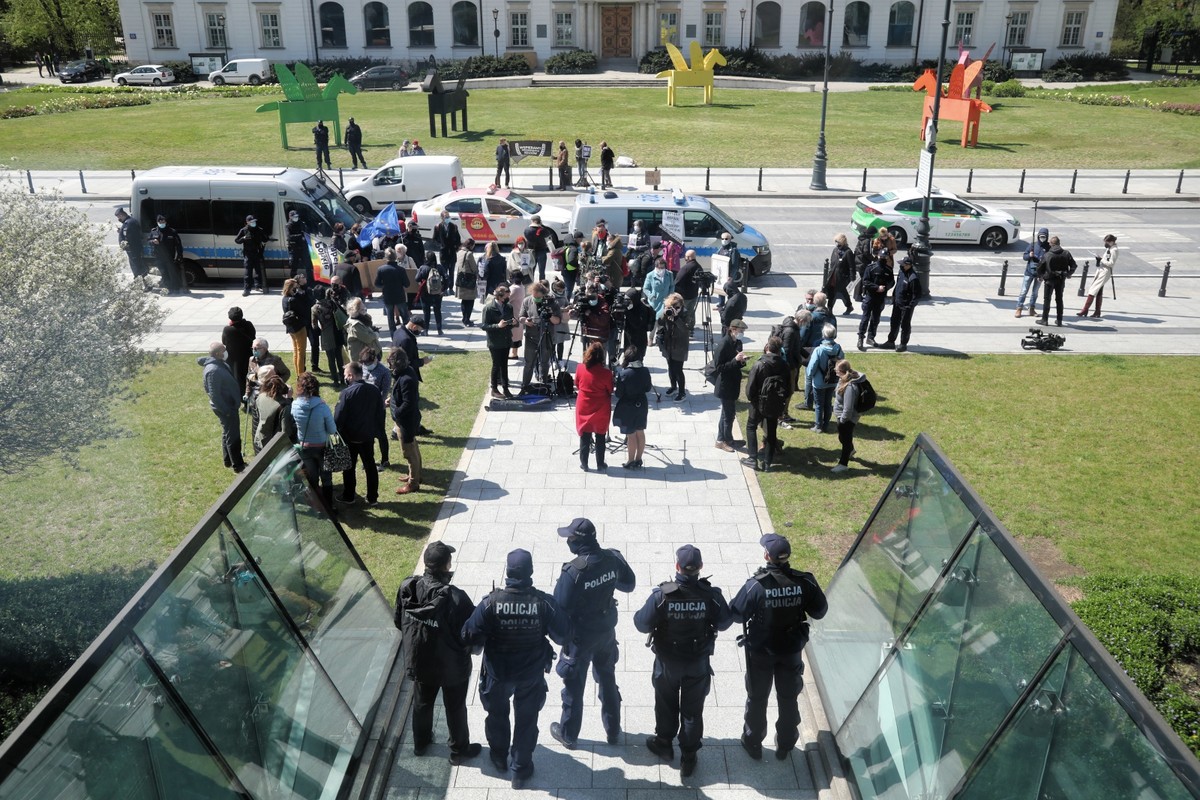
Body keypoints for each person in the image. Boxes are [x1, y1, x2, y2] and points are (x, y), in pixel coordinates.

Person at [462, 549, 570, 789]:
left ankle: (499, 756)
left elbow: (468, 635)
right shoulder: (542, 603)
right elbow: (563, 634)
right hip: (530, 675)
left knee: (497, 714)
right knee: (527, 720)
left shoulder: (491, 603)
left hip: (497, 674)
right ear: (530, 573)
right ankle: (520, 770)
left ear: (507, 572)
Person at [633, 545, 732, 778]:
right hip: (697, 664)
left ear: (677, 567)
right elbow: (725, 622)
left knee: (666, 703)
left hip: (668, 663)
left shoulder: (662, 595)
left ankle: (664, 744)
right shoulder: (711, 596)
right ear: (700, 568)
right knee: (692, 711)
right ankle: (689, 757)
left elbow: (641, 624)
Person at [729, 534, 829, 760]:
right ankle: (785, 745)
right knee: (788, 698)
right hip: (791, 651)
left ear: (767, 555)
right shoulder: (805, 581)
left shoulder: (756, 585)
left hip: (761, 652)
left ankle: (753, 741)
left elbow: (735, 614)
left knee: (757, 698)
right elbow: (820, 612)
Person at [550, 517, 636, 748]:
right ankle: (613, 731)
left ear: (578, 541)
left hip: (580, 639)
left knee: (574, 688)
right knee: (607, 680)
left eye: (570, 537)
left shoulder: (573, 572)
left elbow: (560, 609)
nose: (568, 540)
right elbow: (629, 584)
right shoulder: (612, 558)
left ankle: (568, 734)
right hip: (606, 633)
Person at [396, 541, 482, 764]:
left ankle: (420, 743)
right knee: (455, 707)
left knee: (422, 703)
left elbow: (399, 621)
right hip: (452, 668)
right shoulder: (456, 598)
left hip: (420, 661)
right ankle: (458, 750)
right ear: (446, 566)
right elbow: (471, 635)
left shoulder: (407, 589)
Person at [334, 361, 382, 506]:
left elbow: (338, 417)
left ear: (351, 376)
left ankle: (349, 496)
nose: (345, 378)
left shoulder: (346, 393)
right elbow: (380, 413)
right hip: (367, 436)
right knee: (370, 466)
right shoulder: (374, 390)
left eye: (345, 375)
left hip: (350, 438)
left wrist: (338, 432)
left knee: (349, 467)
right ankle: (372, 497)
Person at [197, 342, 246, 473]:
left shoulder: (219, 364)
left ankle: (228, 460)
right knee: (233, 436)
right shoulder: (213, 370)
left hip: (229, 406)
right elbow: (215, 395)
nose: (226, 352)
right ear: (218, 353)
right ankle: (238, 465)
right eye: (224, 350)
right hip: (226, 408)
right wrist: (227, 411)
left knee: (227, 433)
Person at [291, 371, 337, 510]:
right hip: (322, 447)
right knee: (326, 478)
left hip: (304, 447)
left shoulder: (294, 405)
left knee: (312, 479)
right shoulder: (322, 407)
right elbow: (332, 429)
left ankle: (316, 507)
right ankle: (328, 506)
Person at [745, 336, 790, 473]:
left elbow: (750, 389)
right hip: (775, 403)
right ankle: (767, 463)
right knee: (771, 432)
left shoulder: (759, 364)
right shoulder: (784, 365)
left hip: (758, 403)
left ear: (767, 347)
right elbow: (788, 387)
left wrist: (753, 400)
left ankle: (752, 458)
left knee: (751, 427)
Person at [388, 347, 423, 494]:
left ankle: (413, 483)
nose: (389, 366)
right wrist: (393, 399)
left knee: (409, 452)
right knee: (413, 447)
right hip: (407, 420)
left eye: (391, 363)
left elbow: (408, 403)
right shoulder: (405, 372)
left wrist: (396, 411)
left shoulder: (406, 379)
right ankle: (415, 475)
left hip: (406, 422)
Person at [518, 281, 562, 394]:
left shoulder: (552, 303)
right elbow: (521, 317)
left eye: (538, 297)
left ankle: (544, 385)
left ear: (543, 294)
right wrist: (526, 321)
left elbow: (557, 321)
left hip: (546, 336)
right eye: (534, 296)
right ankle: (525, 386)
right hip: (531, 337)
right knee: (529, 363)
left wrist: (550, 315)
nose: (536, 298)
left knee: (544, 362)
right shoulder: (527, 301)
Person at [574, 342, 612, 471]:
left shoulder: (580, 368)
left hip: (584, 405)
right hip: (601, 407)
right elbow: (610, 390)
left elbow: (577, 384)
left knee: (585, 435)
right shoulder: (606, 373)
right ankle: (600, 464)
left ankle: (584, 463)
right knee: (600, 436)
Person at [712, 318, 749, 452]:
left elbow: (738, 361)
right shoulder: (724, 344)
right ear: (732, 330)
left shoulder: (737, 342)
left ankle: (726, 439)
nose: (742, 333)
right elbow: (719, 367)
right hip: (725, 385)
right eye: (740, 331)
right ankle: (722, 440)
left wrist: (742, 361)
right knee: (728, 415)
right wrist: (735, 360)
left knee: (728, 413)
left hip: (733, 383)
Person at [613, 346, 652, 468]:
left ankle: (630, 461)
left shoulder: (624, 373)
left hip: (628, 406)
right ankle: (638, 459)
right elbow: (648, 388)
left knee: (631, 434)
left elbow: (618, 394)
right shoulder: (645, 371)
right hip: (641, 404)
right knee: (640, 431)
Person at [831, 359, 868, 473]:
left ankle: (843, 464)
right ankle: (850, 450)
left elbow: (848, 408)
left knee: (846, 440)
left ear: (842, 371)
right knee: (843, 438)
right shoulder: (843, 380)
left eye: (836, 370)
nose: (835, 371)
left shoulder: (850, 387)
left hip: (847, 418)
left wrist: (842, 420)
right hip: (842, 416)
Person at [857, 241, 894, 350]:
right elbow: (866, 282)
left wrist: (885, 287)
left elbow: (891, 281)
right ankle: (860, 338)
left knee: (875, 319)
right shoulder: (871, 268)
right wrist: (876, 288)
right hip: (870, 297)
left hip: (880, 298)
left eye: (885, 257)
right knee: (865, 318)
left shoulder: (888, 270)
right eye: (882, 256)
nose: (883, 258)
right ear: (878, 256)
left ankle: (871, 337)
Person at [806, 324, 844, 433]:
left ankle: (818, 426)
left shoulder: (819, 350)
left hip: (819, 382)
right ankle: (826, 424)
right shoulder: (838, 349)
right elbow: (842, 363)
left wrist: (810, 375)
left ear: (823, 335)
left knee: (818, 404)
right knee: (828, 403)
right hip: (833, 381)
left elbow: (812, 367)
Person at [879, 256, 921, 352]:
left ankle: (903, 343)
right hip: (897, 303)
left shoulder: (913, 278)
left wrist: (910, 306)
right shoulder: (901, 272)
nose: (901, 265)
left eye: (903, 264)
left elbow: (917, 295)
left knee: (905, 325)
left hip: (906, 306)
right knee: (894, 322)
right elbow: (898, 285)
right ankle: (890, 341)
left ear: (908, 265)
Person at [481, 284, 516, 398]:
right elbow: (484, 326)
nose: (508, 298)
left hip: (506, 340)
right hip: (495, 342)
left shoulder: (508, 307)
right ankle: (494, 388)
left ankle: (505, 388)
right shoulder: (489, 308)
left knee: (504, 365)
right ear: (500, 297)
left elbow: (511, 322)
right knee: (496, 365)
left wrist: (514, 323)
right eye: (506, 296)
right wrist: (497, 326)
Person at [360, 347, 391, 468]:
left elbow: (385, 392)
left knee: (380, 434)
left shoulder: (384, 371)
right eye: (364, 363)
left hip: (377, 408)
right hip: (364, 408)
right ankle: (369, 459)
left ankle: (385, 460)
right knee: (367, 435)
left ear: (374, 360)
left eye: (368, 363)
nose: (366, 366)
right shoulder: (362, 366)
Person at [1037, 235, 1078, 327]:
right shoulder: (1066, 253)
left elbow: (1039, 267)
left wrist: (1041, 276)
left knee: (1047, 299)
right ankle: (1059, 320)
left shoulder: (1047, 255)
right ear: (1059, 243)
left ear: (1051, 244)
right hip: (1060, 279)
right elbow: (1074, 265)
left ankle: (1045, 319)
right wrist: (1068, 274)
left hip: (1049, 279)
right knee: (1059, 300)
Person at [656, 293, 690, 402]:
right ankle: (673, 386)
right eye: (672, 307)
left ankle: (682, 392)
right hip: (668, 344)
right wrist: (664, 312)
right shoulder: (668, 312)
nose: (675, 309)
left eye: (677, 307)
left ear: (681, 305)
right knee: (670, 367)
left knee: (678, 369)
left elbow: (685, 330)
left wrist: (676, 318)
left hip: (680, 346)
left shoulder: (685, 314)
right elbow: (659, 322)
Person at [312, 281, 346, 385]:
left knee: (331, 359)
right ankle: (343, 378)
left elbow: (314, 325)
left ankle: (335, 380)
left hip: (326, 334)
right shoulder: (332, 303)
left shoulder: (314, 308)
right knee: (339, 358)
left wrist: (319, 331)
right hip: (337, 332)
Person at [1079, 234, 1118, 319]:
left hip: (1106, 271)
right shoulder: (1109, 248)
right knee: (1099, 290)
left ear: (1111, 242)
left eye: (1106, 242)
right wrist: (1099, 260)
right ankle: (1097, 311)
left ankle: (1085, 309)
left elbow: (1111, 263)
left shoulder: (1114, 250)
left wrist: (1102, 260)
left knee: (1093, 289)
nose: (1105, 244)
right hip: (1101, 270)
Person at [375, 247, 412, 334]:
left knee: (390, 319)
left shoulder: (381, 269)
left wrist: (384, 286)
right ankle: (406, 334)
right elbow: (407, 284)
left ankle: (394, 337)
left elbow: (377, 284)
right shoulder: (401, 270)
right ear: (395, 257)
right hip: (400, 296)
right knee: (405, 318)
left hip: (388, 296)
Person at [254, 374, 295, 451]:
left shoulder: (260, 396)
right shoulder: (283, 406)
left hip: (259, 438)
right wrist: (289, 399)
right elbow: (286, 432)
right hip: (273, 444)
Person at [1016, 227, 1050, 318]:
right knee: (1024, 291)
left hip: (1040, 275)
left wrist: (1044, 275)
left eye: (1044, 237)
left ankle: (1031, 309)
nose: (1042, 238)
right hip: (1029, 272)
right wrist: (1029, 255)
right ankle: (1019, 308)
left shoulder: (1048, 248)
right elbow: (1024, 256)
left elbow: (1049, 262)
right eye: (1041, 236)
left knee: (1035, 293)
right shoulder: (1033, 245)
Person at [221, 307, 256, 395]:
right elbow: (253, 337)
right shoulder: (248, 325)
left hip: (233, 358)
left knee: (236, 378)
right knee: (248, 377)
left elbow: (224, 342)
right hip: (247, 356)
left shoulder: (228, 330)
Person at [233, 213, 269, 296]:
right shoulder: (243, 230)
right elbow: (237, 240)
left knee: (258, 270)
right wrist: (243, 238)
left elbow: (265, 238)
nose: (253, 223)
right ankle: (247, 289)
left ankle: (258, 285)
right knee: (247, 272)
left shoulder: (259, 229)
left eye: (254, 221)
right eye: (251, 221)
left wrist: (264, 240)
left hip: (257, 253)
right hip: (248, 254)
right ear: (247, 222)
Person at [392, 314, 433, 385]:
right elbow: (408, 362)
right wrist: (423, 361)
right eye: (419, 330)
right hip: (406, 375)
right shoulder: (407, 340)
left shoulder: (398, 331)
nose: (419, 332)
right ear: (414, 327)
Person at [149, 214, 184, 294]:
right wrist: (153, 242)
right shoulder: (154, 231)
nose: (162, 223)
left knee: (171, 272)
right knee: (163, 273)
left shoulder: (172, 232)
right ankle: (167, 288)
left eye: (163, 221)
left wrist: (179, 255)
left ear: (165, 221)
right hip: (159, 256)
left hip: (169, 256)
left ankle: (175, 288)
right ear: (157, 222)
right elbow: (149, 241)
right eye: (160, 221)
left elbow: (178, 244)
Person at [281, 278, 309, 376]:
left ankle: (298, 373)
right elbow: (303, 309)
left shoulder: (284, 299)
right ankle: (301, 374)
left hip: (291, 327)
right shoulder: (293, 299)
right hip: (299, 327)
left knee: (296, 351)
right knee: (301, 352)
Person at [114, 207, 147, 288]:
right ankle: (139, 284)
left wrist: (127, 245)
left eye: (119, 217)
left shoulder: (131, 223)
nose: (119, 219)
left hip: (134, 249)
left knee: (138, 267)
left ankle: (144, 285)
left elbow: (132, 237)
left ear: (121, 215)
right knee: (135, 267)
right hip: (131, 250)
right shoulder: (126, 223)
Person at [416, 252, 447, 335]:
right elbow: (446, 279)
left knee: (426, 312)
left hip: (425, 293)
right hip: (437, 293)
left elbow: (417, 278)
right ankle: (439, 329)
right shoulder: (439, 267)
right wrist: (443, 290)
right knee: (437, 311)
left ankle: (426, 330)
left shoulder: (423, 268)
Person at [523, 215, 561, 283]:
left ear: (532, 221)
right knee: (542, 271)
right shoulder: (544, 230)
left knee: (531, 270)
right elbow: (549, 239)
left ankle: (530, 285)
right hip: (541, 251)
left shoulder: (527, 230)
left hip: (531, 252)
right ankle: (542, 285)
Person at [344, 297, 381, 363]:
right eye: (362, 310)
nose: (364, 311)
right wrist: (376, 334)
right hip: (362, 359)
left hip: (369, 356)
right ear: (355, 311)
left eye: (364, 309)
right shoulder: (355, 325)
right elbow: (368, 338)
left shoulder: (363, 319)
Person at [826, 233, 856, 314]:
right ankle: (830, 308)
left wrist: (852, 277)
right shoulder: (835, 250)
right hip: (833, 275)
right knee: (832, 292)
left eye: (837, 241)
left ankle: (849, 306)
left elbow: (852, 266)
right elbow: (832, 262)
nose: (836, 243)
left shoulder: (848, 252)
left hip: (842, 277)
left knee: (843, 292)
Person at [675, 250, 703, 333]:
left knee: (683, 312)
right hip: (694, 294)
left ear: (688, 257)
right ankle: (691, 328)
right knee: (691, 311)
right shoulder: (699, 267)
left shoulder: (686, 268)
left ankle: (684, 329)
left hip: (685, 295)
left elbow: (677, 281)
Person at [454, 238, 480, 326]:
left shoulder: (459, 252)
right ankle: (467, 319)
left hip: (461, 279)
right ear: (470, 245)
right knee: (470, 301)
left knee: (464, 301)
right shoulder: (469, 254)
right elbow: (474, 268)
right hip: (469, 280)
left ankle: (464, 318)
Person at [433, 210, 461, 277]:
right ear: (442, 218)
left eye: (448, 216)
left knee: (451, 273)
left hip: (452, 253)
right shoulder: (438, 227)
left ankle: (451, 286)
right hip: (444, 254)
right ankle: (444, 286)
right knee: (444, 273)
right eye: (446, 217)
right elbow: (434, 239)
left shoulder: (454, 226)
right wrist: (440, 246)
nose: (448, 218)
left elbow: (458, 238)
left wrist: (456, 247)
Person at [507, 270, 526, 360]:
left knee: (511, 335)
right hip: (519, 312)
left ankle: (512, 353)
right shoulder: (521, 286)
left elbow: (507, 299)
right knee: (517, 335)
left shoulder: (514, 288)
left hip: (513, 313)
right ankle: (514, 353)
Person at [286, 209, 309, 280]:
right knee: (293, 266)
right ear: (290, 217)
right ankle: (293, 282)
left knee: (308, 265)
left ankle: (310, 281)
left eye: (297, 216)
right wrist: (300, 236)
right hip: (294, 248)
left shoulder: (301, 224)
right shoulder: (288, 225)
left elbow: (306, 233)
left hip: (303, 247)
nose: (296, 218)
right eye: (294, 217)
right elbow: (289, 237)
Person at [561, 232, 585, 299]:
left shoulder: (568, 246)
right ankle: (566, 303)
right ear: (577, 238)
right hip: (570, 272)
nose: (581, 241)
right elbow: (571, 261)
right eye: (581, 239)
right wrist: (578, 264)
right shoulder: (574, 249)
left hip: (565, 270)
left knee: (567, 288)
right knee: (569, 289)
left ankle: (565, 302)